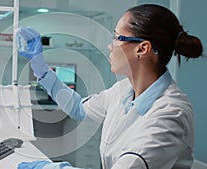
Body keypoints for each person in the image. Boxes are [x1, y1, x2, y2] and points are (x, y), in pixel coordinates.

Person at [16, 4, 203, 169]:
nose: (110, 46)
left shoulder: (170, 114)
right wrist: (40, 68)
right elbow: (78, 108)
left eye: (117, 38)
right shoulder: (123, 91)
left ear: (142, 49)